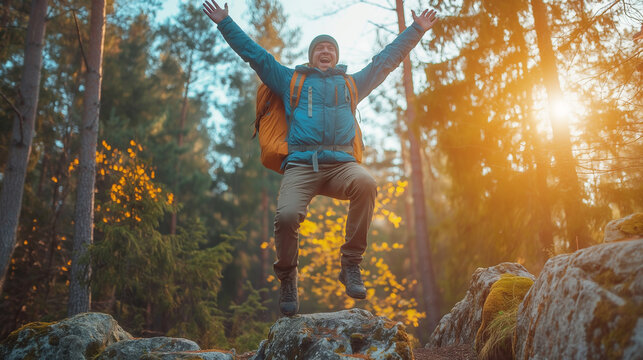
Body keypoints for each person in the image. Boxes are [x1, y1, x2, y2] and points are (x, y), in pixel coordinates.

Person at [203, 0, 438, 316]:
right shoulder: (291, 80)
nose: (325, 51)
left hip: (342, 165)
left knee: (366, 183)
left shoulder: (352, 84)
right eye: (319, 48)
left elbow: (387, 60)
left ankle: (351, 263)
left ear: (336, 57)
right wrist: (225, 22)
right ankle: (288, 277)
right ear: (311, 56)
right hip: (301, 165)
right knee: (286, 217)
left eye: (330, 48)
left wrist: (416, 30)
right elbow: (255, 56)